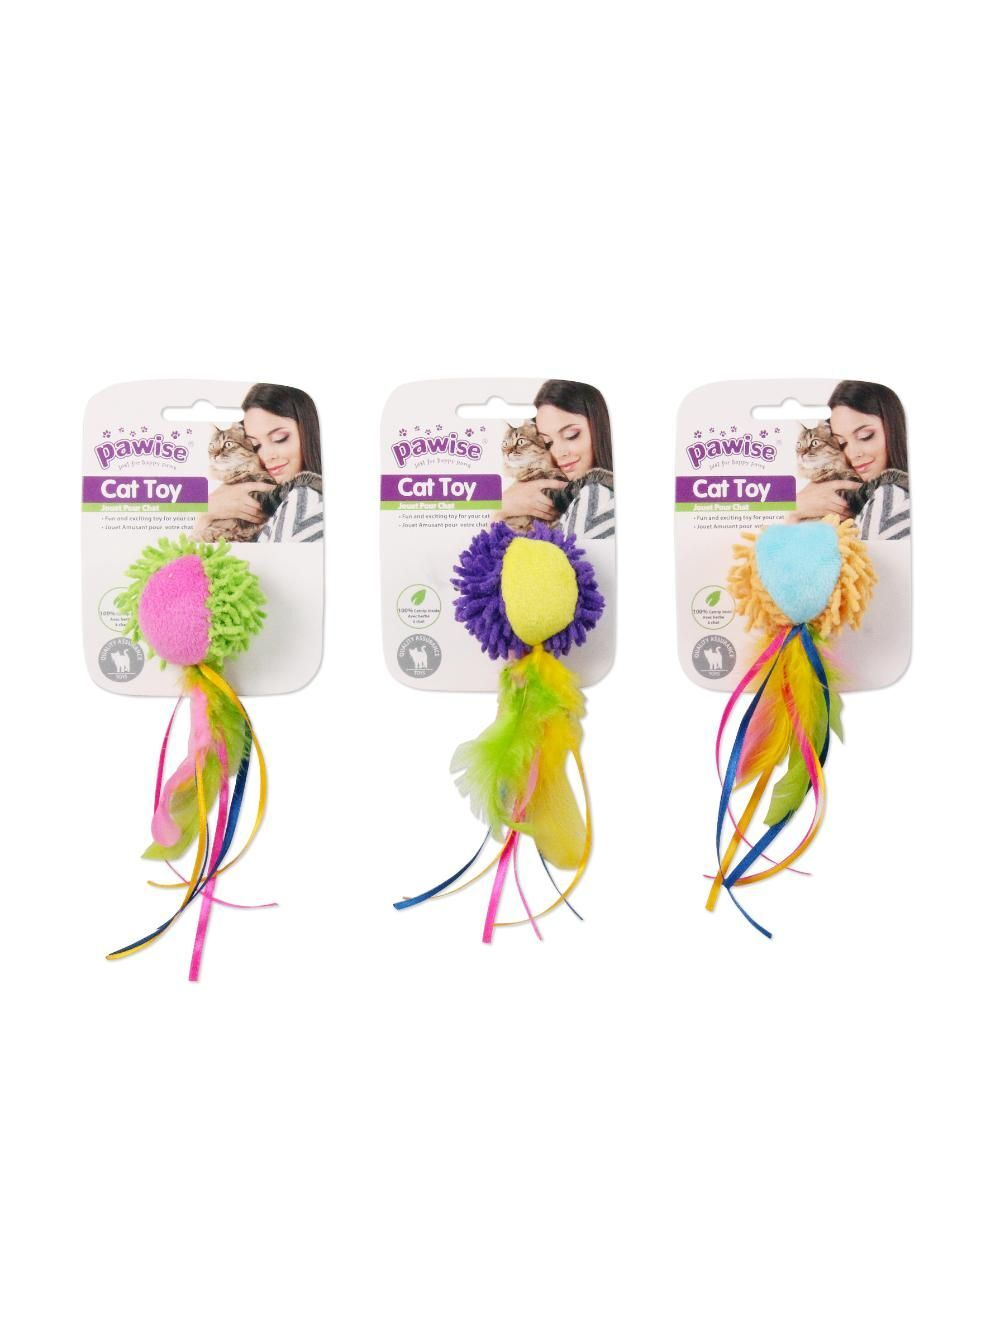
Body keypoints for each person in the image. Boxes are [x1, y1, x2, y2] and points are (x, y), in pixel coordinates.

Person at [195, 383, 324, 543]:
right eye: (255, 445)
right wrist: (206, 515)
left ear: (309, 430)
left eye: (280, 438)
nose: (267, 456)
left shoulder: (305, 499)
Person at [498, 380, 615, 539]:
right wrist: (501, 509)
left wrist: (500, 508)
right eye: (548, 442)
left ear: (599, 427)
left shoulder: (596, 495)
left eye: (571, 435)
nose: (559, 453)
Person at [793, 380, 909, 540]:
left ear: (893, 427)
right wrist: (794, 512)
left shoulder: (890, 495)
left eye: (865, 436)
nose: (853, 454)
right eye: (842, 443)